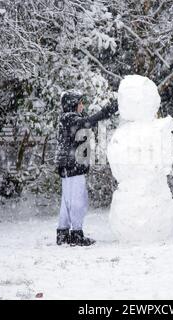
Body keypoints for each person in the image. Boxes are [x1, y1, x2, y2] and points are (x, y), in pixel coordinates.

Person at [54, 90, 118, 246]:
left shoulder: (66, 118)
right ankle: (76, 234)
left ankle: (63, 233)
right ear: (73, 105)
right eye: (80, 103)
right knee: (78, 201)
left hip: (66, 166)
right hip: (73, 166)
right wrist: (107, 111)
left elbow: (86, 120)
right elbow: (88, 122)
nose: (82, 106)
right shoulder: (70, 118)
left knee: (67, 201)